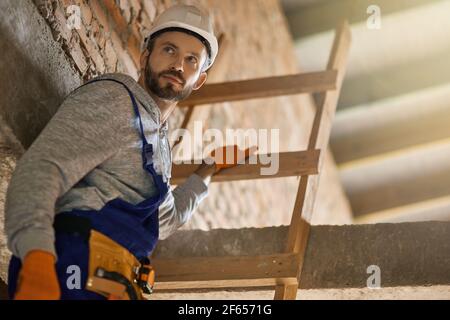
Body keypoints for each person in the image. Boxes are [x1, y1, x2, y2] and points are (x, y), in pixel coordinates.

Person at [4, 4, 252, 300]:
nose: (179, 66)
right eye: (170, 50)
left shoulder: (160, 147)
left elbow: (166, 220)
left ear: (198, 80)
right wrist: (37, 259)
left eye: (191, 60)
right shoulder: (115, 99)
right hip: (70, 267)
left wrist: (209, 169)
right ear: (146, 55)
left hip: (115, 284)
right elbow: (42, 169)